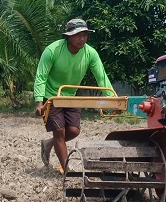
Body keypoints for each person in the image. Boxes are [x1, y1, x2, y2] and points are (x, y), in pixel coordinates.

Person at [33, 18, 114, 173]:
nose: (82, 39)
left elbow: (101, 77)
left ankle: (48, 144)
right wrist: (38, 102)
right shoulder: (53, 50)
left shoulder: (90, 53)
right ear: (68, 36)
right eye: (78, 35)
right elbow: (41, 76)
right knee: (59, 132)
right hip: (52, 96)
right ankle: (66, 170)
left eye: (84, 35)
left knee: (74, 130)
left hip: (71, 95)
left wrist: (111, 97)